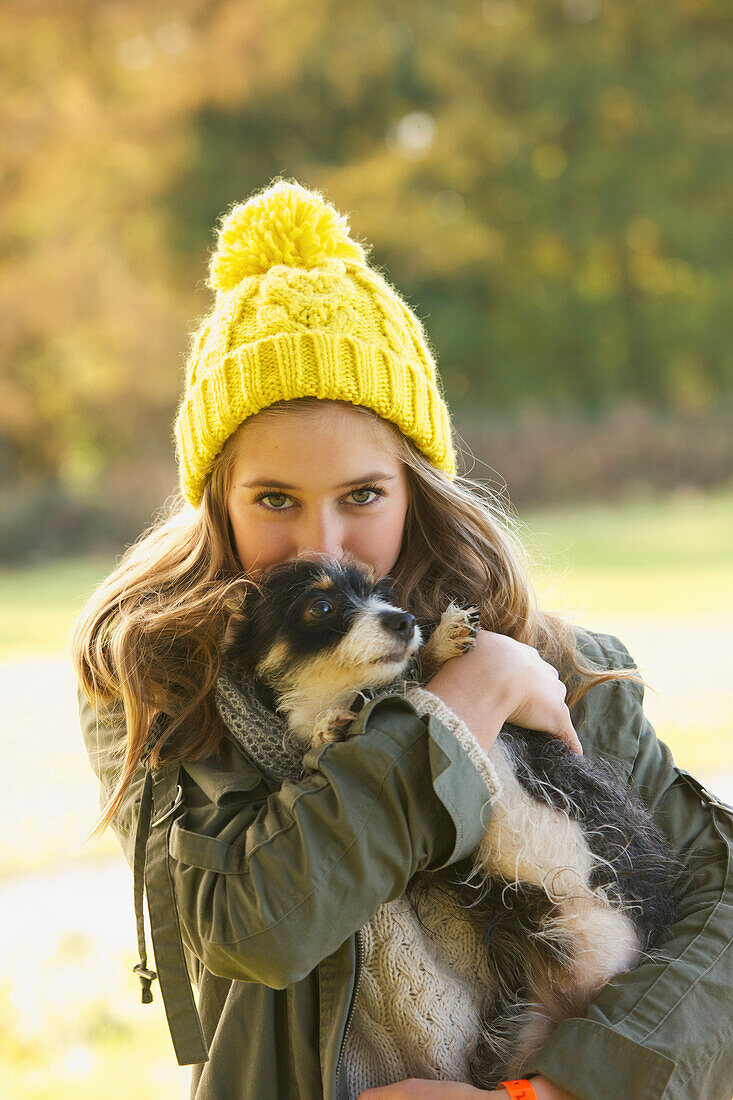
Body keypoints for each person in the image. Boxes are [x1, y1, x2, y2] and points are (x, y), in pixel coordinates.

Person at [71, 177, 733, 1100]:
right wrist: (459, 711)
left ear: (415, 484)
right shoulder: (155, 685)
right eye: (273, 500)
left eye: (362, 496)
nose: (321, 545)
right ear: (216, 500)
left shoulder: (566, 663)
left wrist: (547, 1096)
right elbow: (254, 927)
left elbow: (718, 915)